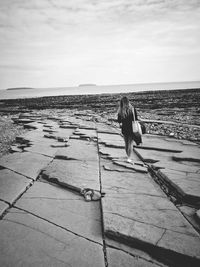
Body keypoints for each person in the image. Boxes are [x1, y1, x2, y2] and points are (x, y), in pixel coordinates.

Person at [117, 96, 141, 163]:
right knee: (130, 143)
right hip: (132, 128)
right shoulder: (132, 109)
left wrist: (121, 122)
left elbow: (119, 120)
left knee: (126, 143)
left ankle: (128, 156)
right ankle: (129, 157)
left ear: (122, 103)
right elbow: (136, 118)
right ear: (128, 101)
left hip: (124, 128)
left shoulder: (120, 110)